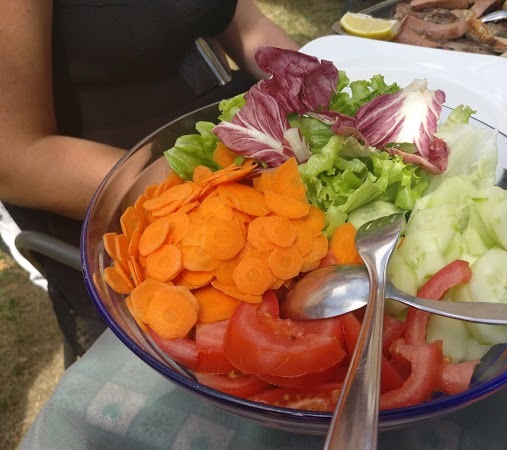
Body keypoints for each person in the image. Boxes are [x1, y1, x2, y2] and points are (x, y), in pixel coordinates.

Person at [0, 0, 299, 356]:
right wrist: (221, 192)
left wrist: (313, 91)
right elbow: (14, 159)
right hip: (135, 211)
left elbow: (250, 28)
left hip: (245, 158)